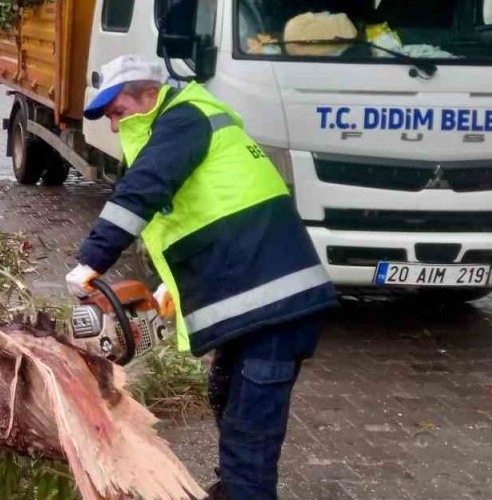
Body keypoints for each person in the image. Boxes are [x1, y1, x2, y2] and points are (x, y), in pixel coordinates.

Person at [65, 55, 337, 500]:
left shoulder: (184, 119)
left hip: (276, 308)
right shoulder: (187, 121)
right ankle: (231, 489)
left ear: (149, 94)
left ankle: (243, 490)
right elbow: (206, 217)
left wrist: (92, 261)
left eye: (119, 112)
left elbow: (142, 190)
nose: (114, 126)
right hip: (259, 300)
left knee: (249, 438)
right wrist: (171, 288)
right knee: (225, 392)